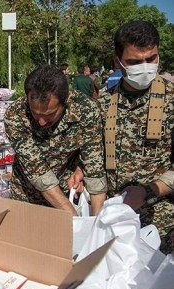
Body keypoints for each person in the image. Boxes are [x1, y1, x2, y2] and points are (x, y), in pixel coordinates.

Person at [70, 20, 174, 254]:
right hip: (112, 217)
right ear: (117, 61)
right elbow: (92, 151)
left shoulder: (171, 100)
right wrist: (80, 169)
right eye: (135, 62)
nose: (145, 67)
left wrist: (148, 190)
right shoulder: (103, 104)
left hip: (160, 220)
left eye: (151, 59)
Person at [4, 65, 107, 216]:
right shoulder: (15, 115)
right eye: (35, 113)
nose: (41, 122)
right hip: (26, 196)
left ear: (65, 101)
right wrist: (74, 219)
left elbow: (94, 167)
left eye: (49, 114)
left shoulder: (86, 110)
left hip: (65, 193)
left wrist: (98, 224)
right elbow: (38, 172)